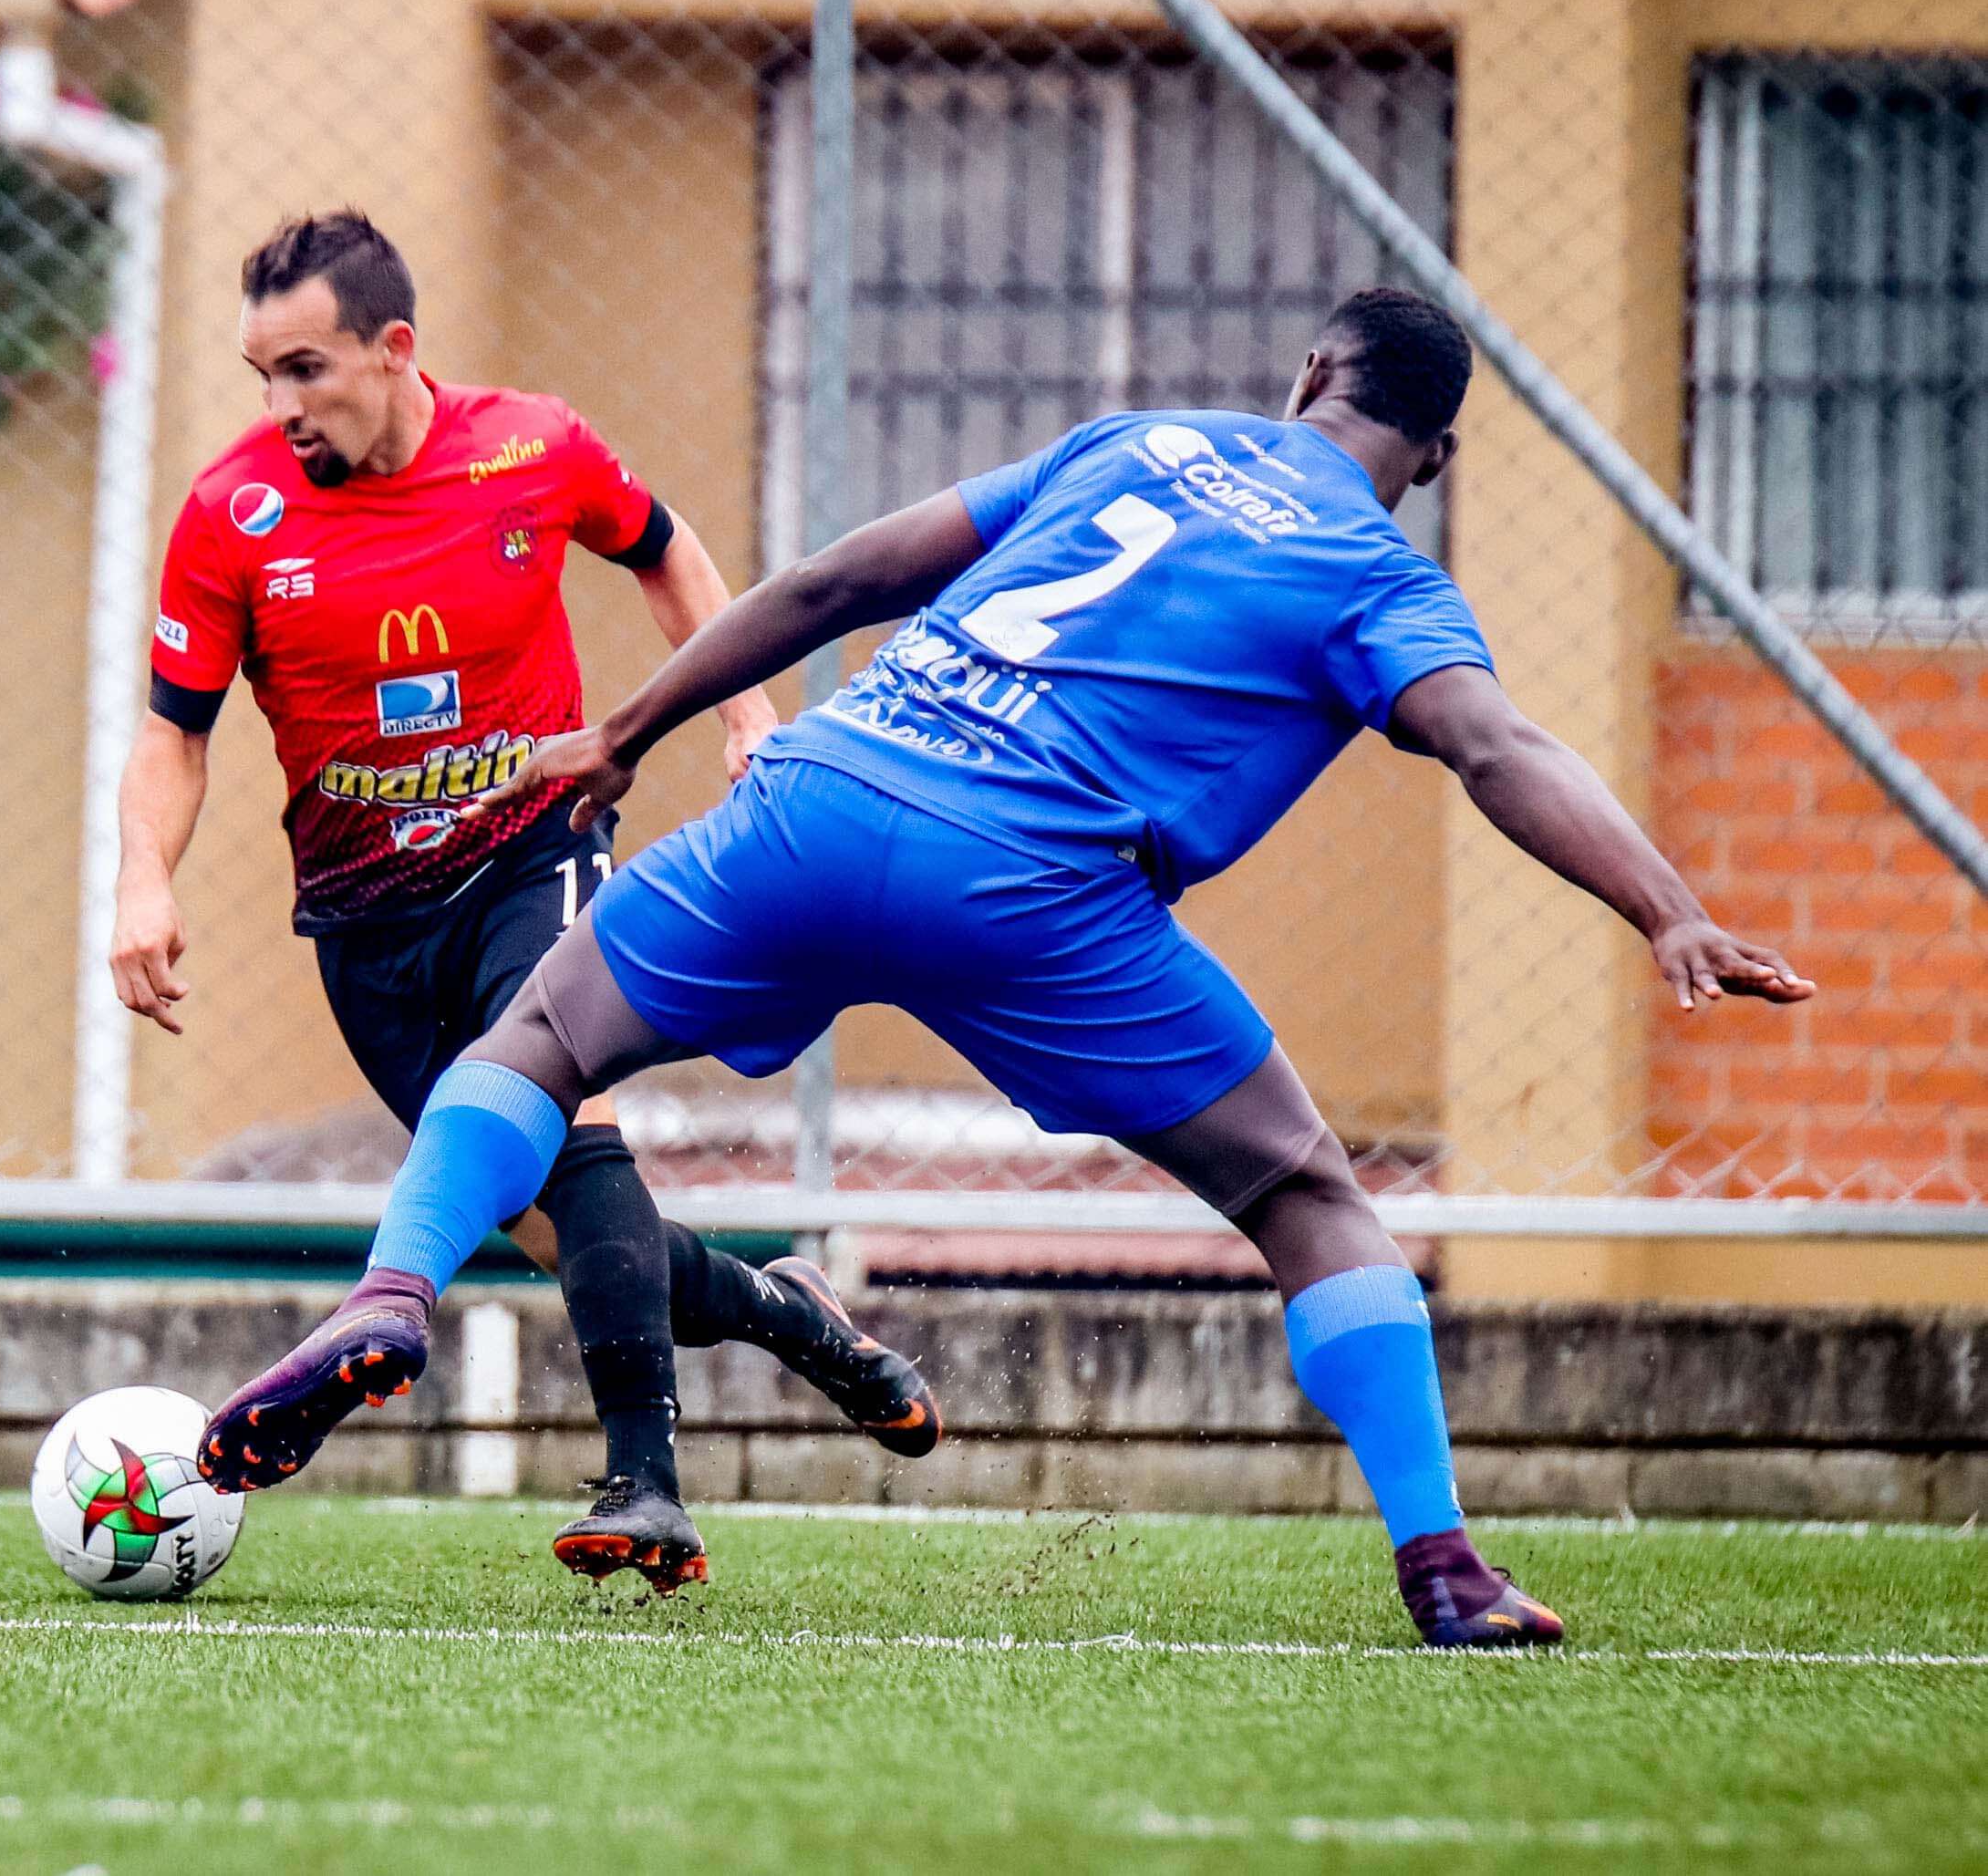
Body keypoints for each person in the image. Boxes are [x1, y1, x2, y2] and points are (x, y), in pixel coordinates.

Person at [197, 287, 1815, 1638]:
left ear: (1307, 374)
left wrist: (620, 732)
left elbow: (841, 579)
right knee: (1304, 1195)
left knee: (533, 1045)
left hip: (822, 797)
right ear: (1431, 455)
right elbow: (1491, 742)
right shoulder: (1380, 577)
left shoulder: (1139, 443)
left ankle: (391, 1292)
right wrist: (1659, 903)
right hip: (1035, 892)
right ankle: (1442, 1563)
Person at [121, 211, 938, 1531]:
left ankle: (644, 1484)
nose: (278, 407)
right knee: (573, 1230)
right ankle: (791, 1313)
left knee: (567, 1113)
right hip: (362, 923)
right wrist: (139, 883)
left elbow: (662, 547)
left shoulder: (530, 446)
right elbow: (174, 735)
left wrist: (743, 710)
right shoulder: (231, 514)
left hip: (531, 853)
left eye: (304, 371)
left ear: (393, 350)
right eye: (259, 377)